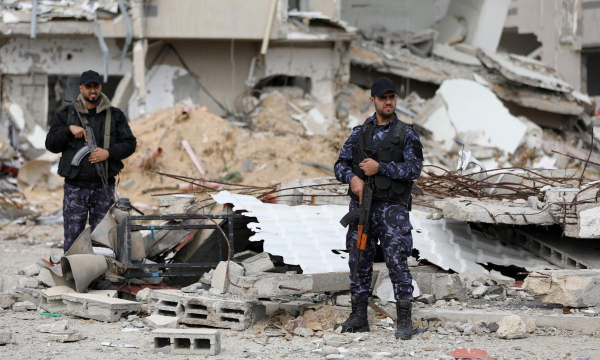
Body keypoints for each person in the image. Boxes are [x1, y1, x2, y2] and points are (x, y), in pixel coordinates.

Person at [333, 77, 423, 340]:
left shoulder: (406, 134)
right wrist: (353, 178)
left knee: (397, 262)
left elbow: (414, 169)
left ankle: (404, 321)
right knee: (358, 260)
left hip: (392, 211)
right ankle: (359, 317)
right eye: (383, 98)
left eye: (392, 97)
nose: (388, 102)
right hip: (362, 210)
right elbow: (339, 164)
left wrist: (380, 168)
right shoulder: (359, 133)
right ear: (372, 100)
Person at [45, 70, 136, 253]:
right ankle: (75, 276)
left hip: (104, 187)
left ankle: (101, 277)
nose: (92, 91)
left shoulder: (114, 115)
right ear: (81, 88)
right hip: (75, 188)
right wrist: (68, 130)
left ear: (100, 87)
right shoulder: (66, 114)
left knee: (103, 241)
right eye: (88, 87)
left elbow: (130, 144)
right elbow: (51, 144)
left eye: (96, 86)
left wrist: (108, 153)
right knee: (74, 240)